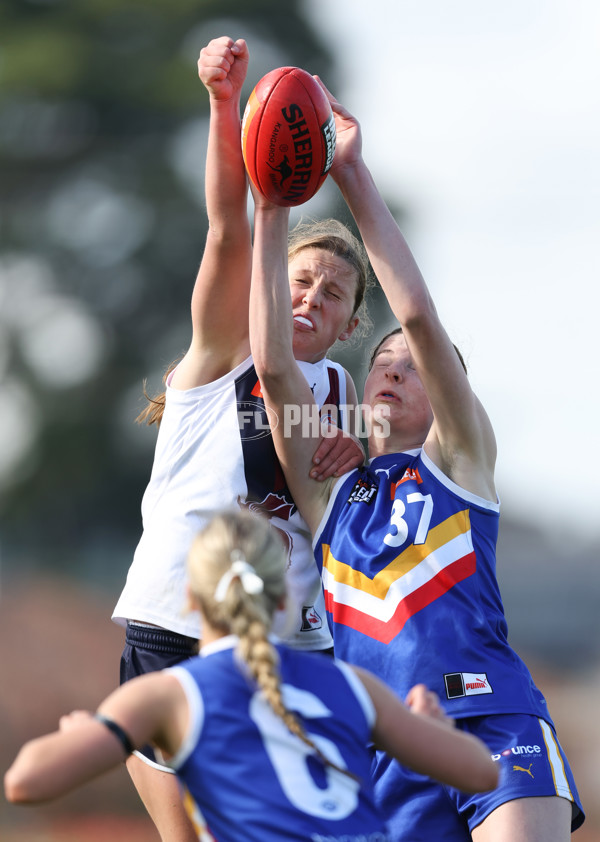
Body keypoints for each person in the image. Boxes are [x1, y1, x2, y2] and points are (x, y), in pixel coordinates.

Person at [247, 84, 585, 840]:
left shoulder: (460, 463)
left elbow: (421, 317)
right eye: (382, 364)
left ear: (446, 397)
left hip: (492, 717)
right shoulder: (331, 490)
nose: (396, 370)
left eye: (414, 367)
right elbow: (273, 370)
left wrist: (352, 173)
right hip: (388, 753)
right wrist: (270, 206)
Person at [110, 37, 367, 841]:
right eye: (300, 279)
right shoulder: (227, 351)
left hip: (291, 639)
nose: (312, 297)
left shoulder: (340, 391)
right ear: (273, 279)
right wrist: (226, 106)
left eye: (332, 295)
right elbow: (229, 231)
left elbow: (352, 508)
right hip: (181, 616)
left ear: (351, 324)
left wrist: (361, 453)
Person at [5, 509, 499, 842]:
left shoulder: (168, 695)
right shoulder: (354, 685)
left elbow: (25, 782)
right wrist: (435, 731)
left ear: (190, 600)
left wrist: (85, 737)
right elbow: (481, 772)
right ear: (285, 600)